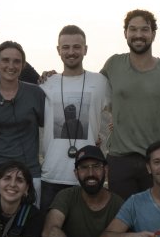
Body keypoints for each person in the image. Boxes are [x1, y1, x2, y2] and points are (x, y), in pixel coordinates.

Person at [101, 9, 160, 199]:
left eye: (144, 30)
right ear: (125, 34)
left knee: (156, 218)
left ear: (153, 34)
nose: (138, 35)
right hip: (120, 159)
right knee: (122, 219)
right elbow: (90, 88)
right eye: (133, 29)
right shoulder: (113, 64)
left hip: (157, 160)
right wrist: (55, 75)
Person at [39, 25, 111, 212]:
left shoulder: (101, 82)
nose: (71, 52)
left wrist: (107, 139)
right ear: (58, 50)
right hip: (52, 174)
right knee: (49, 233)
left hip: (88, 176)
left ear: (85, 49)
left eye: (77, 47)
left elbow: (121, 112)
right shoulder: (47, 83)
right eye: (66, 47)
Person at [0, 41, 47, 202]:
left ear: (23, 65)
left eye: (16, 61)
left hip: (27, 172)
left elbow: (50, 127)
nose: (11, 65)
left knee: (27, 223)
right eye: (5, 60)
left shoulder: (36, 94)